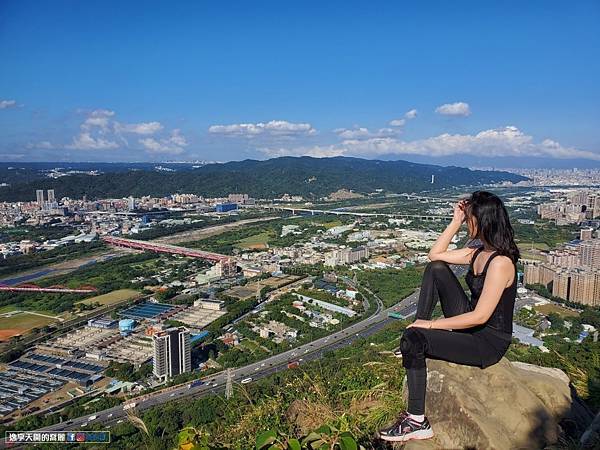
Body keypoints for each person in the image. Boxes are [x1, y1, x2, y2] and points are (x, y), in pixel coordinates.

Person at [378, 191, 519, 443]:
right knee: (436, 269)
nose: (467, 222)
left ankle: (416, 421)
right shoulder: (478, 251)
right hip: (471, 326)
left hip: (487, 342)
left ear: (483, 220)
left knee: (416, 338)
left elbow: (480, 316)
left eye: (469, 218)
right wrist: (454, 221)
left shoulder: (500, 263)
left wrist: (431, 325)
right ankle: (416, 332)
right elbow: (435, 255)